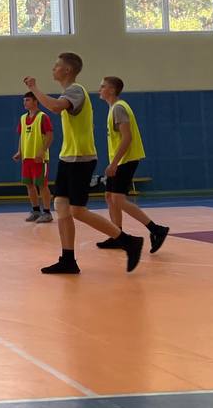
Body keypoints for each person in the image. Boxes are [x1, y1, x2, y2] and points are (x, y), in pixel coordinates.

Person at [24, 53, 143, 275]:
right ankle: (68, 259)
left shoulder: (76, 91)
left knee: (77, 211)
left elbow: (56, 107)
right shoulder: (69, 92)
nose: (53, 69)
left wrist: (34, 88)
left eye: (57, 66)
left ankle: (129, 242)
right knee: (61, 206)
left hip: (81, 159)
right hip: (67, 157)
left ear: (67, 70)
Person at [98, 76, 170, 253]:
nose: (99, 89)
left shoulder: (119, 108)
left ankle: (156, 229)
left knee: (118, 199)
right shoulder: (114, 108)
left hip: (126, 160)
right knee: (110, 196)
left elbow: (127, 138)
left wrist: (114, 163)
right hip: (121, 160)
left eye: (103, 86)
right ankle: (117, 236)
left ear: (112, 90)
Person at [13, 91, 54, 223]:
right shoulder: (22, 118)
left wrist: (42, 151)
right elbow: (22, 136)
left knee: (42, 185)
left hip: (39, 158)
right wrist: (19, 151)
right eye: (24, 100)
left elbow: (50, 135)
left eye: (28, 100)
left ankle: (47, 212)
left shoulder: (43, 117)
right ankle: (36, 211)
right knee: (29, 185)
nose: (25, 103)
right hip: (27, 158)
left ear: (35, 101)